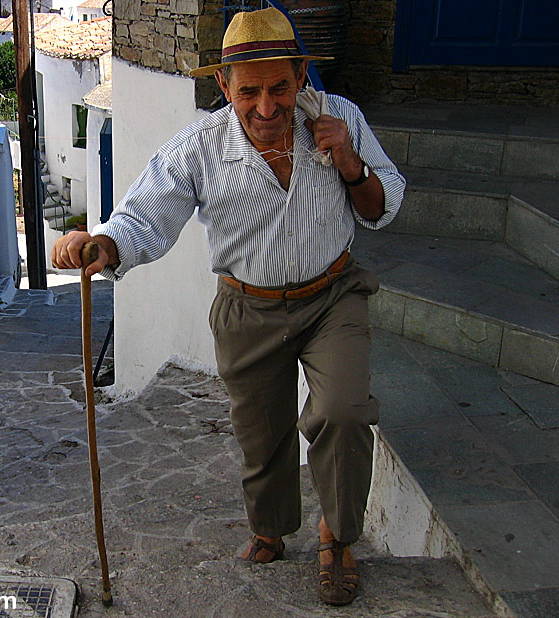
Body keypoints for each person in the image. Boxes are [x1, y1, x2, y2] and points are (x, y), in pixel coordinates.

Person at [51, 7, 405, 606]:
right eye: (250, 92)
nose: (266, 107)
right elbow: (145, 216)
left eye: (280, 89)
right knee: (261, 433)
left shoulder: (339, 119)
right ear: (224, 86)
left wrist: (351, 164)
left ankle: (338, 537)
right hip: (249, 308)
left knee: (344, 412)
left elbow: (381, 206)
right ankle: (271, 527)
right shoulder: (201, 145)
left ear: (300, 76)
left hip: (333, 297)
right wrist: (103, 243)